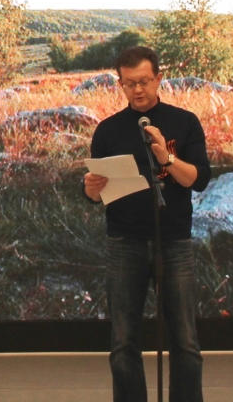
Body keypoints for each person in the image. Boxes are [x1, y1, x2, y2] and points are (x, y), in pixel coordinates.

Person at [82, 46, 211, 402]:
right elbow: (94, 193)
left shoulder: (184, 122)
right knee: (123, 343)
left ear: (158, 79)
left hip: (174, 242)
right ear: (120, 84)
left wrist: (166, 158)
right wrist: (90, 188)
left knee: (185, 341)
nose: (137, 90)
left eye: (144, 81)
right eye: (129, 83)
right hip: (125, 243)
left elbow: (198, 180)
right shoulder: (108, 129)